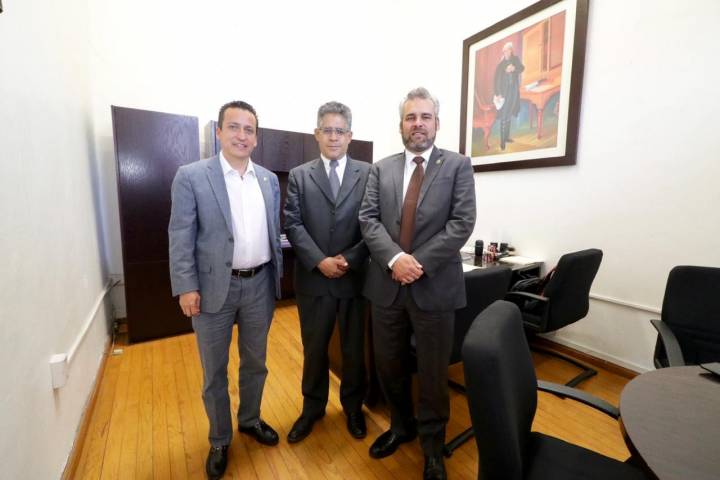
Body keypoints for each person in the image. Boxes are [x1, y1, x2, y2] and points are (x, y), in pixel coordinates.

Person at [359, 87, 476, 480]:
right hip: (386, 287)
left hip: (435, 287)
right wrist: (395, 259)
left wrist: (417, 263)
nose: (418, 124)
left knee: (432, 373)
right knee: (389, 365)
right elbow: (368, 220)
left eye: (425, 117)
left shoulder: (458, 165)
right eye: (411, 117)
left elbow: (462, 223)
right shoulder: (381, 169)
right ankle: (400, 426)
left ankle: (432, 446)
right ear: (401, 125)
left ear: (437, 123)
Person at [168, 100, 283, 480]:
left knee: (256, 363)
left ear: (256, 137)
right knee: (214, 371)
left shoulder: (268, 179)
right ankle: (219, 439)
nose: (241, 135)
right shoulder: (191, 176)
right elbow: (180, 235)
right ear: (219, 132)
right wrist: (186, 287)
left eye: (249, 129)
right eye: (234, 127)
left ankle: (250, 419)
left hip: (260, 285)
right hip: (213, 288)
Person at [283, 101, 370, 443]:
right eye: (327, 130)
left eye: (340, 131)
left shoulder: (369, 173)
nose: (334, 137)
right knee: (314, 349)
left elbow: (373, 223)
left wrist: (349, 259)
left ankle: (353, 408)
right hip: (314, 280)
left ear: (350, 136)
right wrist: (320, 260)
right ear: (316, 134)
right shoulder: (300, 175)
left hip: (354, 278)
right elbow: (293, 223)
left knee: (353, 351)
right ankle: (312, 408)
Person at [493, 42, 525, 150]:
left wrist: (514, 69)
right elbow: (496, 80)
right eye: (504, 51)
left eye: (507, 50)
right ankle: (502, 142)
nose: (505, 53)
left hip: (513, 92)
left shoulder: (515, 59)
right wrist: (497, 93)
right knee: (504, 115)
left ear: (511, 50)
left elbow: (522, 68)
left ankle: (506, 138)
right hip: (504, 93)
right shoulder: (501, 64)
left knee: (509, 113)